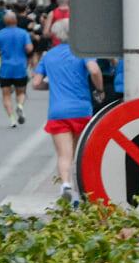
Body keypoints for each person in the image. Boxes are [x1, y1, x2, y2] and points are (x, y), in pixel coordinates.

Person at [33, 37, 103, 201]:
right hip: (81, 110)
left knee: (64, 155)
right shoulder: (82, 52)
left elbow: (36, 83)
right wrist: (99, 90)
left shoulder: (48, 55)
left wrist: (53, 85)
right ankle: (81, 190)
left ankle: (65, 185)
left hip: (58, 112)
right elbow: (94, 70)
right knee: (80, 154)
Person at [0, 9, 34, 127]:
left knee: (6, 95)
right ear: (16, 21)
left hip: (5, 68)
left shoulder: (0, 34)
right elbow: (29, 48)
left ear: (5, 22)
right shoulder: (23, 33)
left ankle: (12, 119)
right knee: (21, 92)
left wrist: (1, 53)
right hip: (20, 67)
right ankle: (20, 106)